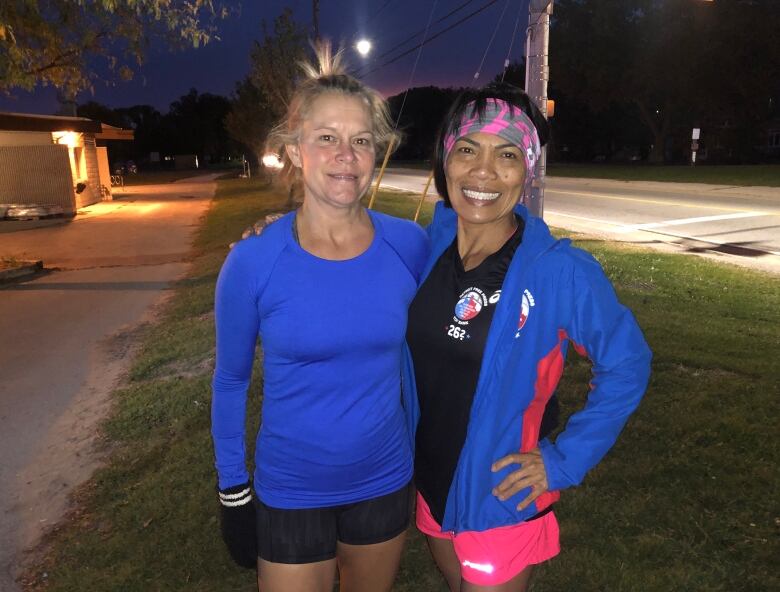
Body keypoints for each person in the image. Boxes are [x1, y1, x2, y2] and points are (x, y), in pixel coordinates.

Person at [401, 83, 652, 591]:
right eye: (468, 148)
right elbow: (345, 245)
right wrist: (283, 230)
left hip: (500, 498)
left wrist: (564, 459)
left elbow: (627, 364)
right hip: (430, 488)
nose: (484, 171)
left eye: (507, 154)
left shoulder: (558, 271)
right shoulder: (424, 248)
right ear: (445, 157)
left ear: (528, 169)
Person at [210, 44, 429, 592]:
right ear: (294, 150)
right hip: (290, 488)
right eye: (326, 137)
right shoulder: (254, 260)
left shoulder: (410, 246)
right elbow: (231, 379)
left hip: (384, 479)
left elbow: (464, 314)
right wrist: (234, 491)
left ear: (377, 150)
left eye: (360, 140)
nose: (345, 155)